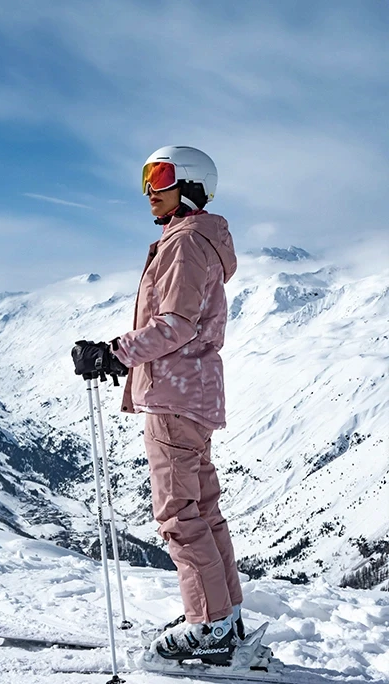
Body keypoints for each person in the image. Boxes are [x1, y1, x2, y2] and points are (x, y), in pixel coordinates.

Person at [72, 145, 243, 665]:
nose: (149, 189)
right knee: (203, 509)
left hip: (173, 393)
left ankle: (209, 626)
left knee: (177, 515)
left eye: (161, 176)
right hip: (195, 392)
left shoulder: (185, 243)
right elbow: (184, 323)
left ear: (190, 185)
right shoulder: (200, 241)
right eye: (145, 177)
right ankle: (223, 615)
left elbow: (175, 324)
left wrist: (114, 353)